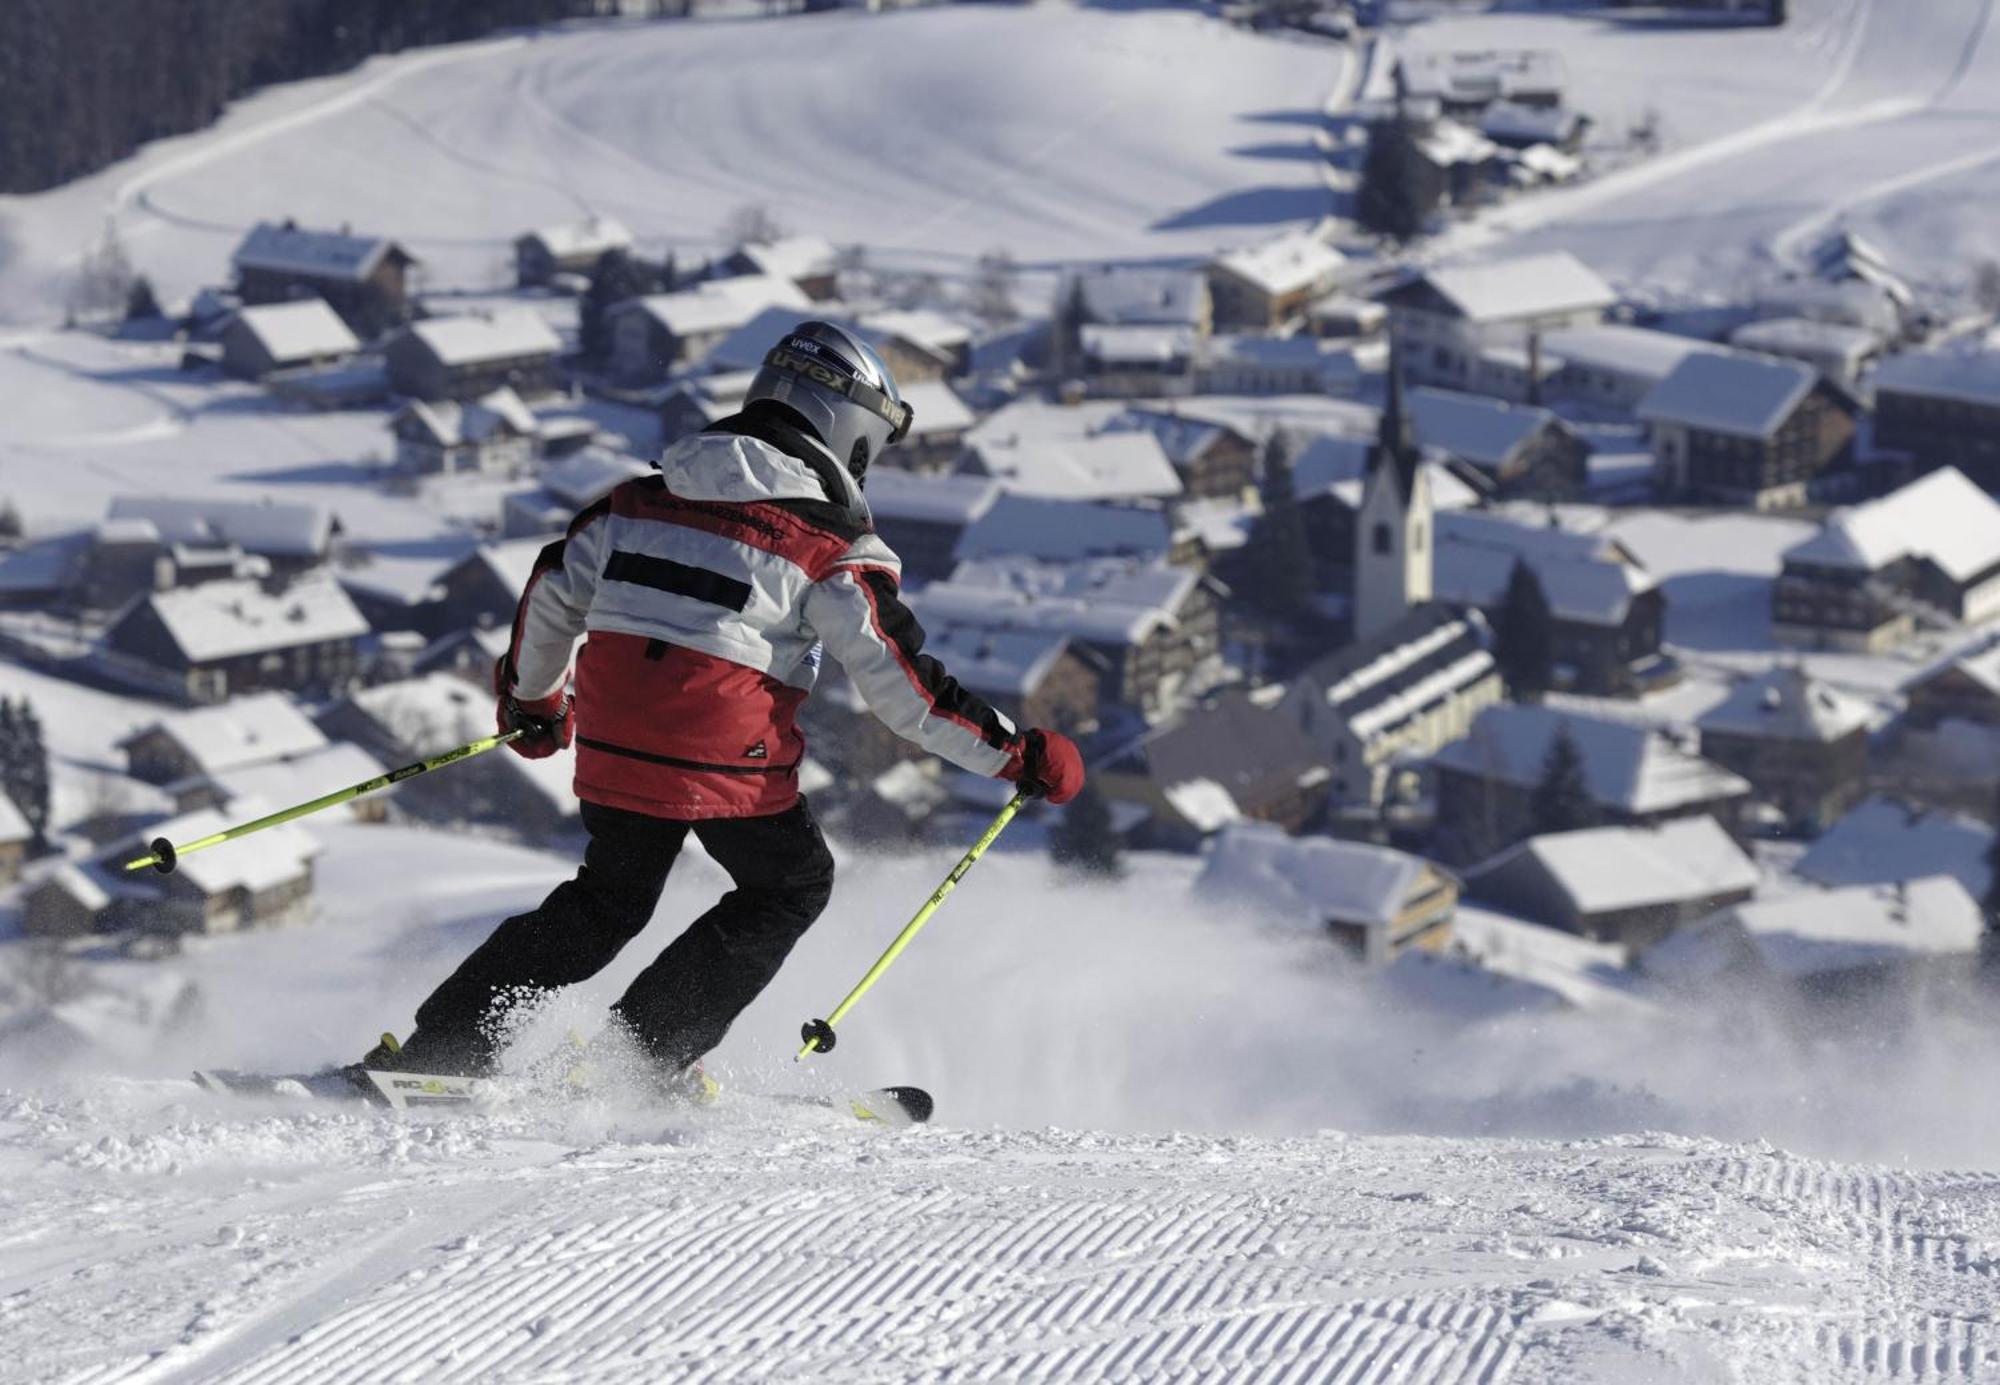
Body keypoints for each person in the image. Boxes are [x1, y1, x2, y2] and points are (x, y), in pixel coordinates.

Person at [359, 320, 1084, 1091]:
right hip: (724, 754)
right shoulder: (827, 542)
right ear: (851, 430)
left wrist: (534, 702)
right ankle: (630, 1064)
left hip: (613, 743)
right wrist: (1018, 753)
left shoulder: (634, 499)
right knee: (787, 886)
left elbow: (550, 590)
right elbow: (903, 686)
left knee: (606, 901)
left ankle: (448, 1048)